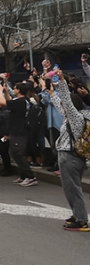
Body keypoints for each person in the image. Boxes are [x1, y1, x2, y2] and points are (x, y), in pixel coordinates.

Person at [46, 70, 90, 231]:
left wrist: (62, 82)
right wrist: (51, 93)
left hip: (69, 156)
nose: (63, 107)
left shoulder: (76, 118)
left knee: (73, 189)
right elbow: (61, 104)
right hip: (72, 156)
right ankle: (76, 214)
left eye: (67, 106)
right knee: (71, 188)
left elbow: (66, 101)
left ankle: (82, 220)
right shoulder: (78, 116)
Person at [0, 82, 37, 187]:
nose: (13, 90)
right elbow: (9, 102)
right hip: (16, 130)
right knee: (14, 153)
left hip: (19, 131)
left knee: (19, 153)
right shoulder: (24, 101)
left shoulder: (21, 102)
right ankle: (23, 175)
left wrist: (0, 91)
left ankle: (30, 176)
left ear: (18, 90)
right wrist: (5, 93)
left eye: (14, 88)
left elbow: (2, 103)